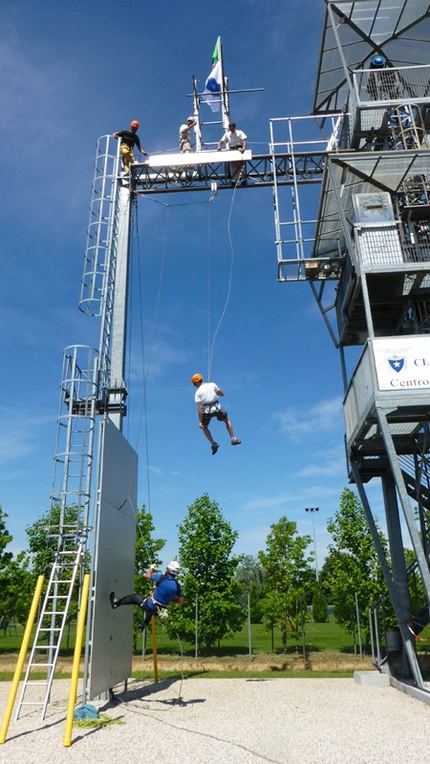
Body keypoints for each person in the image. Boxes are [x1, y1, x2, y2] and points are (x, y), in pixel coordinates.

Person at [110, 561, 184, 629]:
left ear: (168, 570)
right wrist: (172, 600)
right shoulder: (177, 586)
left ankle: (116, 603)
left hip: (150, 605)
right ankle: (143, 625)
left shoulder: (161, 578)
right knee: (151, 612)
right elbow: (181, 601)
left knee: (134, 598)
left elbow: (147, 575)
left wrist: (151, 569)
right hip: (160, 610)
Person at [191, 373, 241, 455]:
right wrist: (215, 391)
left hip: (207, 411)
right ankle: (233, 438)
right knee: (226, 420)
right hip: (217, 408)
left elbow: (199, 408)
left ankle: (213, 444)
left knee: (204, 427)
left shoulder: (198, 392)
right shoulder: (212, 384)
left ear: (196, 382)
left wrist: (200, 421)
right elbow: (221, 394)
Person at [217, 121, 247, 185]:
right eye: (230, 128)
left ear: (234, 127)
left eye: (232, 128)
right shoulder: (227, 134)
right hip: (232, 149)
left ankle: (241, 178)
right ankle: (234, 179)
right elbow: (221, 141)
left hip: (239, 148)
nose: (231, 129)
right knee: (233, 164)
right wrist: (219, 147)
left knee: (241, 164)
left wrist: (244, 148)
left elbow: (244, 140)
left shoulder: (239, 132)